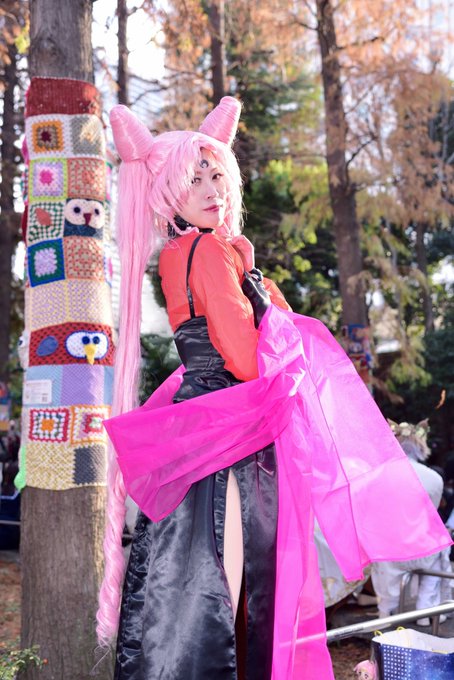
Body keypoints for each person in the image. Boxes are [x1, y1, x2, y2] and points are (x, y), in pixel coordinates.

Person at [97, 97, 450, 680]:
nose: (212, 189)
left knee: (189, 582)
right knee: (237, 590)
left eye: (216, 175)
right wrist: (253, 285)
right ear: (166, 194)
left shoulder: (178, 254)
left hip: (202, 423)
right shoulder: (208, 250)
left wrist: (248, 272)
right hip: (235, 431)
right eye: (194, 179)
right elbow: (249, 355)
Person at [371, 419, 453, 625]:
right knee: (440, 548)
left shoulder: (379, 475)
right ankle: (424, 610)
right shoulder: (434, 477)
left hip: (391, 550)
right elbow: (432, 514)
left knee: (382, 550)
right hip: (423, 549)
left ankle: (384, 611)